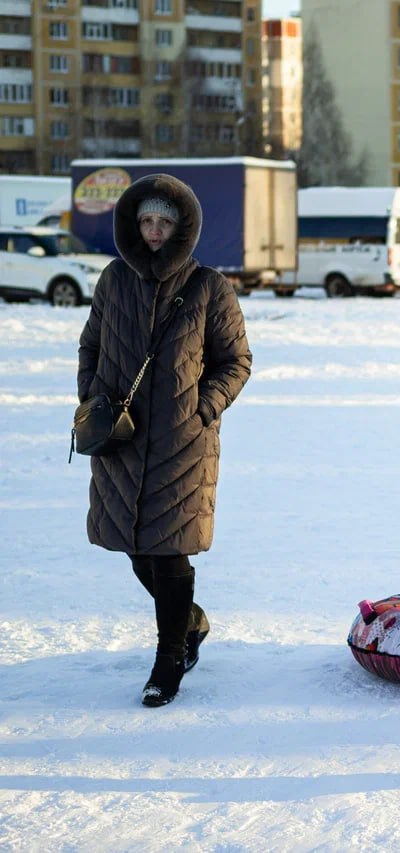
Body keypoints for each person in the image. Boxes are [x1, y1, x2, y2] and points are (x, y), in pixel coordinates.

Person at [77, 174, 252, 707]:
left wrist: (202, 408)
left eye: (164, 222)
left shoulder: (208, 288)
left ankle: (168, 658)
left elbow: (236, 362)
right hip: (122, 440)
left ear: (183, 228)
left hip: (182, 445)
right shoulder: (113, 280)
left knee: (168, 553)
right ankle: (192, 623)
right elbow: (91, 345)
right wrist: (93, 400)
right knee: (135, 549)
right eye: (146, 221)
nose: (153, 231)